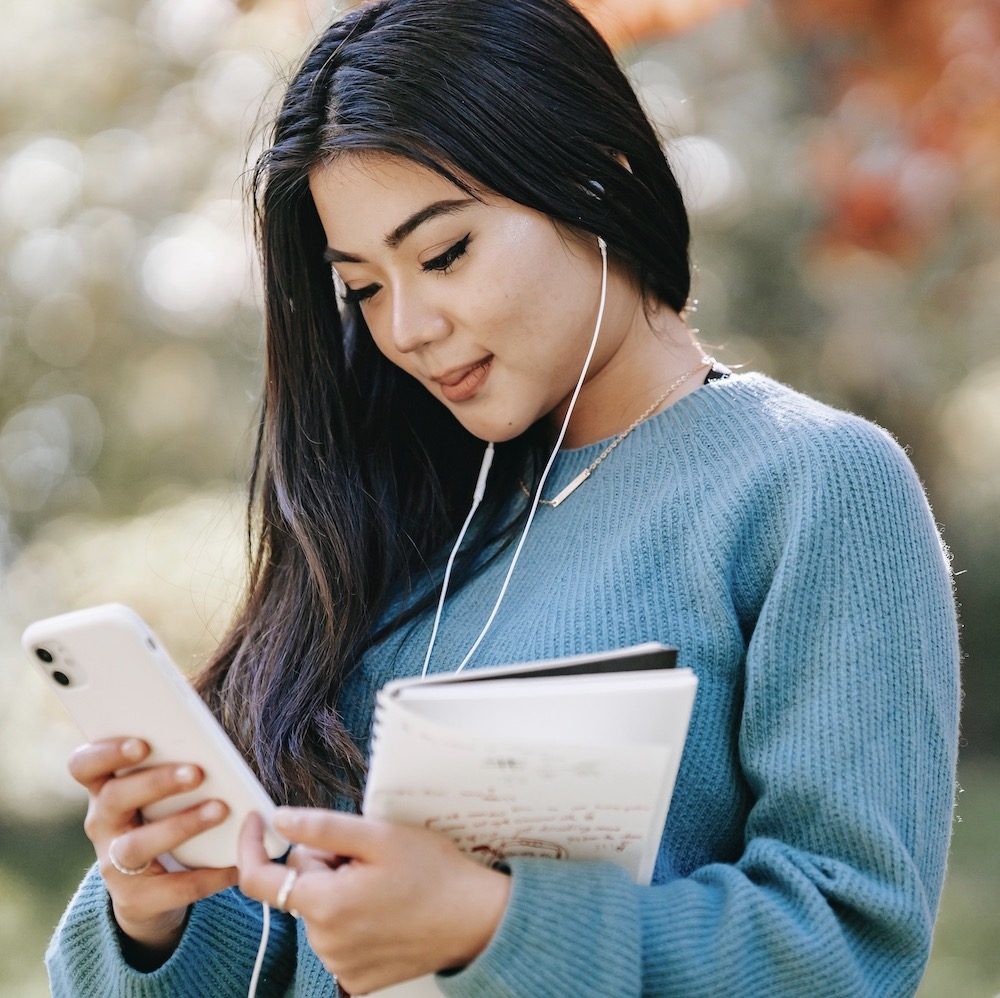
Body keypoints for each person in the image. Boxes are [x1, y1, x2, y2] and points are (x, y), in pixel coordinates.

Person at [45, 0, 960, 995]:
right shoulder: (402, 515)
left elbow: (848, 946)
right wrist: (152, 911)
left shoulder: (809, 485)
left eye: (443, 254)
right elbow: (291, 949)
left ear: (598, 172)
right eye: (365, 287)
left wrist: (493, 924)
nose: (410, 328)